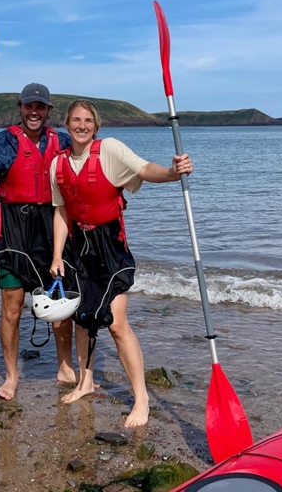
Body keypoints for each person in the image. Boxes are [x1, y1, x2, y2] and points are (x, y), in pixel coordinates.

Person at [49, 99, 193, 428]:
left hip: (110, 245)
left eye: (88, 120)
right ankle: (85, 382)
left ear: (96, 126)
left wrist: (173, 173)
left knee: (115, 322)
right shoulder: (57, 165)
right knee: (83, 318)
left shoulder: (110, 150)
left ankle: (141, 399)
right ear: (67, 124)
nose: (82, 125)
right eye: (75, 120)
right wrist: (57, 255)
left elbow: (145, 170)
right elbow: (61, 211)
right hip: (77, 247)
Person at [0, 83, 75, 401]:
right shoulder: (3, 143)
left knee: (60, 305)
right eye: (28, 106)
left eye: (40, 107)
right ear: (20, 109)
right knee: (12, 308)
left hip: (51, 230)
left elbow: (93, 162)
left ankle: (65, 367)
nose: (33, 112)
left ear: (50, 111)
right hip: (12, 232)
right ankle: (11, 375)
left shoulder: (62, 141)